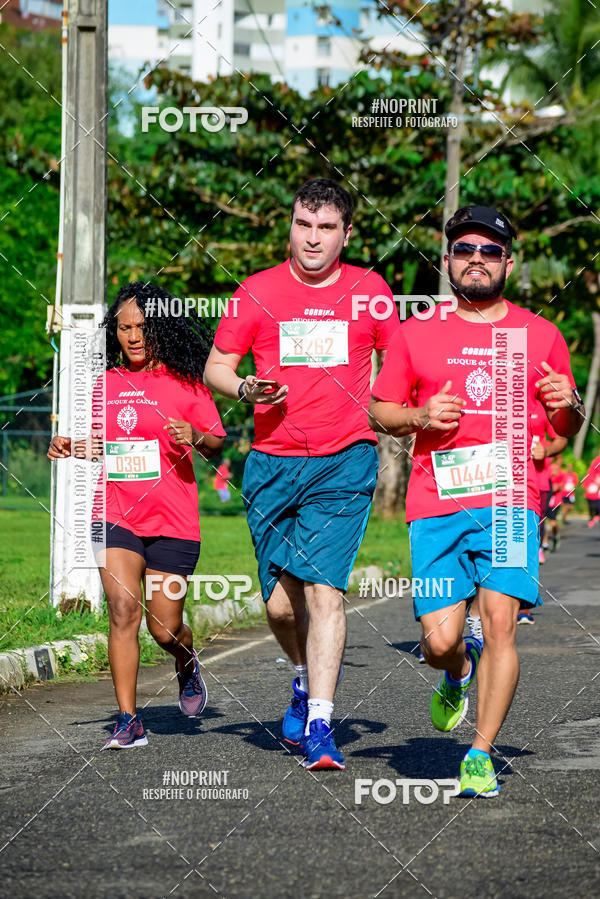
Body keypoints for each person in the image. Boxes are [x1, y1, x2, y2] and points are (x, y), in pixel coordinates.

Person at [369, 205, 583, 797]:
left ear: (508, 263)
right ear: (448, 262)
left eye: (490, 251)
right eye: (466, 250)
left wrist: (568, 401)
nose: (477, 261)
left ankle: (480, 754)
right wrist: (418, 416)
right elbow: (380, 409)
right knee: (439, 639)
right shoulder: (417, 334)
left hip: (513, 503)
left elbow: (563, 426)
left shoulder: (539, 336)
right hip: (436, 505)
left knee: (503, 627)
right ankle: (457, 671)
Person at [204, 178, 398, 770]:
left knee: (324, 592)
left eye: (325, 228)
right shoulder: (255, 292)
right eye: (302, 225)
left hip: (345, 458)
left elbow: (404, 361)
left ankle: (320, 722)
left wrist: (405, 411)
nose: (312, 239)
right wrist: (244, 388)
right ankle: (299, 674)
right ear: (290, 224)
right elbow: (216, 365)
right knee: (281, 609)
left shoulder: (371, 290)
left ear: (346, 234)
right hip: (271, 462)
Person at [48, 282, 226, 749]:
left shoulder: (186, 383)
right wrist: (71, 446)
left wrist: (195, 435)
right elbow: (103, 447)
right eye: (124, 328)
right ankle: (128, 720)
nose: (132, 336)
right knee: (123, 610)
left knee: (164, 628)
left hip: (173, 522)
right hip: (115, 516)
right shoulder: (105, 385)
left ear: (159, 328)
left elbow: (216, 440)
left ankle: (186, 662)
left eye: (141, 327)